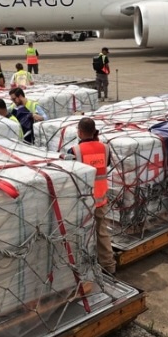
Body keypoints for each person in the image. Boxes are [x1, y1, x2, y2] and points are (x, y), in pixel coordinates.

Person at [65, 117, 115, 275]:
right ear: (94, 131)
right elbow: (106, 164)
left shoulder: (75, 151)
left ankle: (84, 268)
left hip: (83, 202)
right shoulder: (105, 148)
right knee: (102, 233)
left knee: (82, 234)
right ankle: (109, 266)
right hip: (101, 199)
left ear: (79, 132)